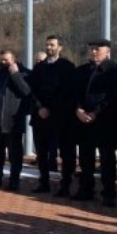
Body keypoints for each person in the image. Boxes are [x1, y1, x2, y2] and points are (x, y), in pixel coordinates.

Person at [72, 39, 117, 206]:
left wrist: (96, 113)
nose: (94, 52)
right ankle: (86, 189)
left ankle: (109, 193)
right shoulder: (82, 70)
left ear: (107, 51)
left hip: (106, 122)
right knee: (85, 158)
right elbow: (75, 93)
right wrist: (78, 109)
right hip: (84, 122)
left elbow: (114, 97)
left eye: (98, 49)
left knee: (107, 159)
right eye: (92, 49)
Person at [28, 35, 77, 195]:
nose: (49, 48)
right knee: (41, 152)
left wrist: (51, 108)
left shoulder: (67, 67)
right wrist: (41, 107)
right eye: (47, 45)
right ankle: (44, 182)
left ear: (60, 47)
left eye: (52, 45)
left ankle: (65, 184)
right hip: (40, 116)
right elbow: (32, 90)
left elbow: (67, 92)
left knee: (65, 152)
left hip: (61, 117)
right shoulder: (39, 67)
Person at [0, 50, 31, 191]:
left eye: (6, 60)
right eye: (1, 59)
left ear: (14, 59)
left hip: (12, 121)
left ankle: (14, 181)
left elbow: (26, 91)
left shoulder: (24, 72)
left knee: (14, 154)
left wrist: (15, 74)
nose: (3, 62)